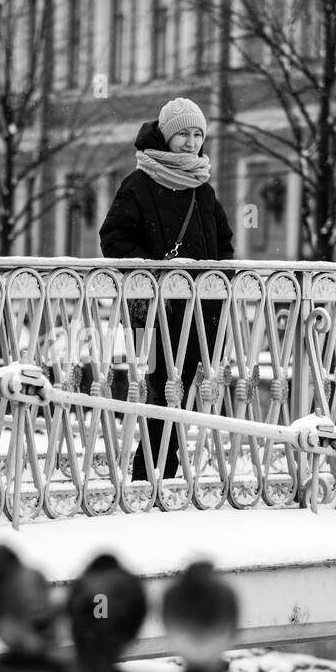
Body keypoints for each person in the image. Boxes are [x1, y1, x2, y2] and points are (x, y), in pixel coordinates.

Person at [98, 98, 236, 482]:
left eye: (197, 135)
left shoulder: (201, 189)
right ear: (165, 135)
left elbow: (224, 244)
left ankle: (166, 471)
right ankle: (149, 474)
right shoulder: (139, 183)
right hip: (156, 311)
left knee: (185, 388)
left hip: (200, 312)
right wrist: (157, 275)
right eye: (183, 135)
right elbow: (113, 238)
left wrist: (214, 282)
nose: (191, 143)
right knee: (160, 388)